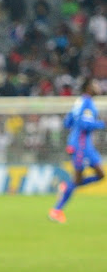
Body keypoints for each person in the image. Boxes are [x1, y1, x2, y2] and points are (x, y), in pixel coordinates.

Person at [49, 80, 105, 223]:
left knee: (100, 175)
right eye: (95, 84)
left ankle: (67, 187)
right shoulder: (87, 103)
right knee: (79, 178)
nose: (99, 87)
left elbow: (67, 122)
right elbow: (83, 123)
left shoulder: (79, 102)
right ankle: (56, 210)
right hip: (81, 145)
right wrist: (102, 123)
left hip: (84, 145)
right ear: (88, 87)